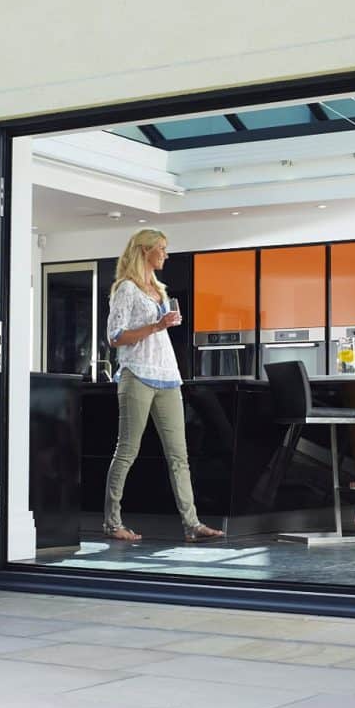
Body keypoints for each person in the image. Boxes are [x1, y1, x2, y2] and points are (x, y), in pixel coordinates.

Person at [103, 228, 225, 543]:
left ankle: (192, 524)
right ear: (145, 250)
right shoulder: (126, 289)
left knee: (179, 455)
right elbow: (115, 337)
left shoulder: (159, 289)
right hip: (137, 374)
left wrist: (165, 324)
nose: (166, 255)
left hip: (168, 375)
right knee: (127, 450)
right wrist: (157, 325)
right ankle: (112, 523)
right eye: (161, 248)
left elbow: (158, 333)